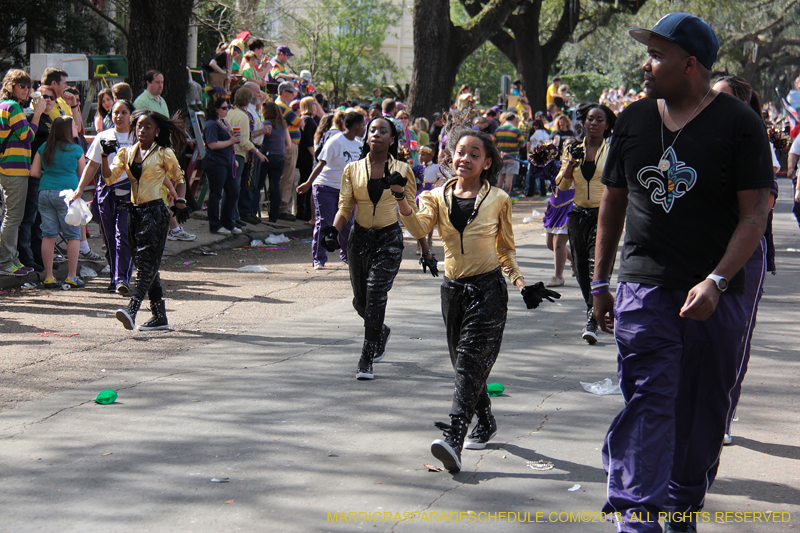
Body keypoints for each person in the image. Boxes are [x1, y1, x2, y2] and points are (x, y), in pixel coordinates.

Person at [593, 14, 774, 532]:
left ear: (689, 64)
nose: (644, 65)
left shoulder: (740, 124)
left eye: (656, 55)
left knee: (703, 411)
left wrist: (716, 280)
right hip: (643, 285)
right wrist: (600, 281)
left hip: (718, 293)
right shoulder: (630, 120)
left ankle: (681, 505)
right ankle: (637, 518)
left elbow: (754, 214)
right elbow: (613, 202)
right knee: (650, 399)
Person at [396, 128, 560, 473]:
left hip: (488, 291)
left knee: (470, 361)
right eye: (460, 152)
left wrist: (521, 284)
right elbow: (418, 229)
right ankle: (485, 420)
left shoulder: (499, 199)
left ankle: (454, 436)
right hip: (452, 290)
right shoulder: (434, 196)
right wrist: (400, 199)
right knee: (463, 366)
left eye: (474, 154)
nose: (465, 159)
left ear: (487, 163)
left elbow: (505, 250)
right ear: (450, 157)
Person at [712, 74, 780, 446]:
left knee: (733, 337)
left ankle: (722, 414)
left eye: (723, 99)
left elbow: (761, 209)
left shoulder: (758, 146)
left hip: (745, 254)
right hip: (699, 249)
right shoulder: (698, 137)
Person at [321, 117, 417, 380]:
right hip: (360, 239)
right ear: (366, 137)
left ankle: (366, 356)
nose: (375, 134)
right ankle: (380, 331)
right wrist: (333, 230)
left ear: (392, 139)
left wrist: (424, 246)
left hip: (388, 239)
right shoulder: (352, 169)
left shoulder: (403, 170)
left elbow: (411, 212)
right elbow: (345, 205)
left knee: (376, 293)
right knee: (360, 301)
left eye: (382, 131)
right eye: (372, 130)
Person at [98, 110, 190, 331]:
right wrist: (104, 156)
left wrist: (181, 200)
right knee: (144, 264)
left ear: (157, 130)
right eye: (139, 126)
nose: (142, 130)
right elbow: (109, 179)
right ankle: (159, 316)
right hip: (134, 212)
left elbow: (180, 178)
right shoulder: (126, 153)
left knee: (147, 264)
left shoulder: (163, 153)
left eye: (148, 127)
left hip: (156, 212)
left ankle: (133, 308)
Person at [555, 103, 615, 344]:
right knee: (581, 271)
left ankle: (591, 318)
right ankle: (594, 309)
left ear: (607, 125)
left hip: (605, 215)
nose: (594, 123)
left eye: (600, 120)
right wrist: (570, 162)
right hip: (578, 215)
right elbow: (561, 186)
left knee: (596, 268)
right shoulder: (572, 148)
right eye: (590, 119)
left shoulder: (613, 149)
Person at [73, 99, 137, 294]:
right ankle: (114, 277)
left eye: (123, 112)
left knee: (123, 235)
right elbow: (92, 166)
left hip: (131, 194)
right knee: (109, 237)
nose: (119, 116)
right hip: (107, 193)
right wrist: (79, 190)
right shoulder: (104, 136)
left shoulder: (138, 137)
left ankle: (122, 279)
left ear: (130, 115)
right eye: (115, 113)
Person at [297, 111, 365, 269]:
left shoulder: (359, 144)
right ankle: (319, 259)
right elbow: (321, 164)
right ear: (355, 126)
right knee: (326, 223)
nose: (364, 128)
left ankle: (347, 255)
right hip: (326, 186)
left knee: (348, 224)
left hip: (346, 190)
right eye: (363, 125)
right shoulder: (335, 141)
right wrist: (308, 183)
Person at [0, 69, 47, 276]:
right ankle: (5, 262)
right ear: (10, 86)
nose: (27, 90)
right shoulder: (13, 107)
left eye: (28, 86)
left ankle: (12, 259)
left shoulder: (4, 106)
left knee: (11, 216)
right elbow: (27, 135)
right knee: (13, 217)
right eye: (22, 86)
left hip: (7, 167)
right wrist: (37, 113)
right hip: (14, 168)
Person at [30, 116, 86, 288]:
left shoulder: (44, 147)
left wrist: (48, 177)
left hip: (45, 192)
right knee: (73, 235)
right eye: (74, 126)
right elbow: (83, 174)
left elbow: (33, 172)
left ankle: (48, 277)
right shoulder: (76, 150)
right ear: (68, 130)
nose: (77, 127)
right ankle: (71, 276)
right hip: (68, 194)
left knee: (48, 234)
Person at [17, 85, 56, 272]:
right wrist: (37, 112)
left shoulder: (49, 119)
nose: (47, 99)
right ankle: (25, 256)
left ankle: (38, 256)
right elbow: (28, 138)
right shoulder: (31, 116)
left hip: (44, 174)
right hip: (30, 172)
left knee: (40, 218)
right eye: (43, 96)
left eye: (51, 97)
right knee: (29, 217)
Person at [202, 88, 242, 235]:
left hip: (226, 162)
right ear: (215, 110)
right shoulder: (211, 124)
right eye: (224, 108)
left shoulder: (222, 122)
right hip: (215, 162)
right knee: (216, 194)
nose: (227, 110)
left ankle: (228, 222)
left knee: (233, 192)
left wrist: (232, 158)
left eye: (228, 107)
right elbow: (212, 144)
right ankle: (215, 224)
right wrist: (231, 141)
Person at [227, 87, 268, 226]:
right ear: (248, 100)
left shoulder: (230, 112)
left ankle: (235, 216)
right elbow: (244, 141)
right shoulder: (243, 116)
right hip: (239, 153)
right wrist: (257, 153)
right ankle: (233, 217)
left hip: (231, 151)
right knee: (237, 186)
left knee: (233, 187)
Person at [259, 100, 291, 223]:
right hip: (280, 157)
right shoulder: (283, 125)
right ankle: (273, 216)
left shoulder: (265, 124)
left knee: (258, 184)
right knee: (275, 186)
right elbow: (288, 144)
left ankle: (251, 212)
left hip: (266, 155)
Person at [276, 82, 303, 220]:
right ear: (283, 92)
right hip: (289, 145)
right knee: (287, 177)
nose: (293, 95)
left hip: (289, 144)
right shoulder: (282, 106)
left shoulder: (283, 106)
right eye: (290, 92)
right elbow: (300, 122)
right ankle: (282, 209)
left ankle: (282, 207)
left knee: (287, 177)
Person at [296, 96, 318, 222]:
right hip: (306, 156)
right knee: (306, 182)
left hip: (304, 156)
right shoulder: (308, 120)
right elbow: (308, 141)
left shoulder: (306, 119)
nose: (316, 106)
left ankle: (302, 210)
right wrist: (314, 156)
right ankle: (303, 211)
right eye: (314, 104)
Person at [494, 111, 524, 194]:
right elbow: (522, 145)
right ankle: (507, 195)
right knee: (509, 179)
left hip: (501, 157)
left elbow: (493, 142)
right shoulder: (516, 131)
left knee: (500, 178)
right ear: (514, 119)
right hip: (512, 158)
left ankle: (497, 197)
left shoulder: (498, 130)